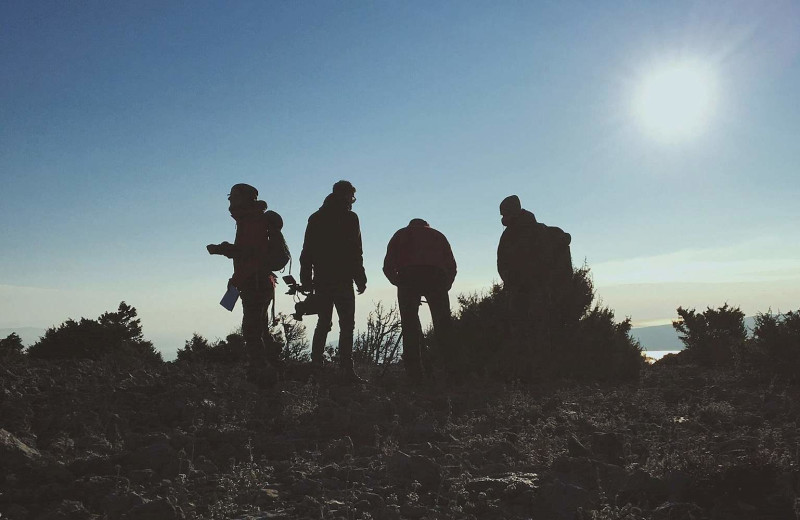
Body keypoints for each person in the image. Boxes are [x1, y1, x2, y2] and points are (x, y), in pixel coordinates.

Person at [207, 183, 278, 385]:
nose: (230, 201)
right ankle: (271, 367)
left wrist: (225, 250)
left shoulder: (251, 221)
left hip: (254, 282)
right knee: (260, 328)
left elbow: (251, 254)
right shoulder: (250, 219)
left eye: (233, 197)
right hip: (258, 281)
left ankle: (262, 374)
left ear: (245, 199)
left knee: (252, 330)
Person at [299, 180, 367, 383]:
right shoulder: (350, 218)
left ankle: (317, 365)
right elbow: (356, 251)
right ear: (346, 195)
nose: (352, 200)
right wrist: (360, 278)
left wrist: (306, 279)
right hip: (342, 280)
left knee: (324, 323)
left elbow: (307, 252)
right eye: (351, 196)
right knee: (346, 325)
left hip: (322, 279)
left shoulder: (316, 217)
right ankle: (346, 370)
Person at [383, 219, 457, 381]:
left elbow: (387, 266)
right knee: (443, 325)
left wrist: (398, 282)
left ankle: (415, 375)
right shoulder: (438, 235)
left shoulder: (400, 235)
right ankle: (452, 371)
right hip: (436, 278)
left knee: (409, 326)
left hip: (408, 278)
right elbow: (451, 265)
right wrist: (446, 285)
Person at [497, 195, 572, 354]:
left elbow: (503, 263)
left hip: (533, 290)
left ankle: (533, 368)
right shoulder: (533, 231)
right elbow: (503, 263)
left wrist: (512, 281)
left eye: (505, 214)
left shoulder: (518, 235)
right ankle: (535, 367)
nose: (503, 218)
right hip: (533, 290)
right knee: (536, 331)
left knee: (532, 331)